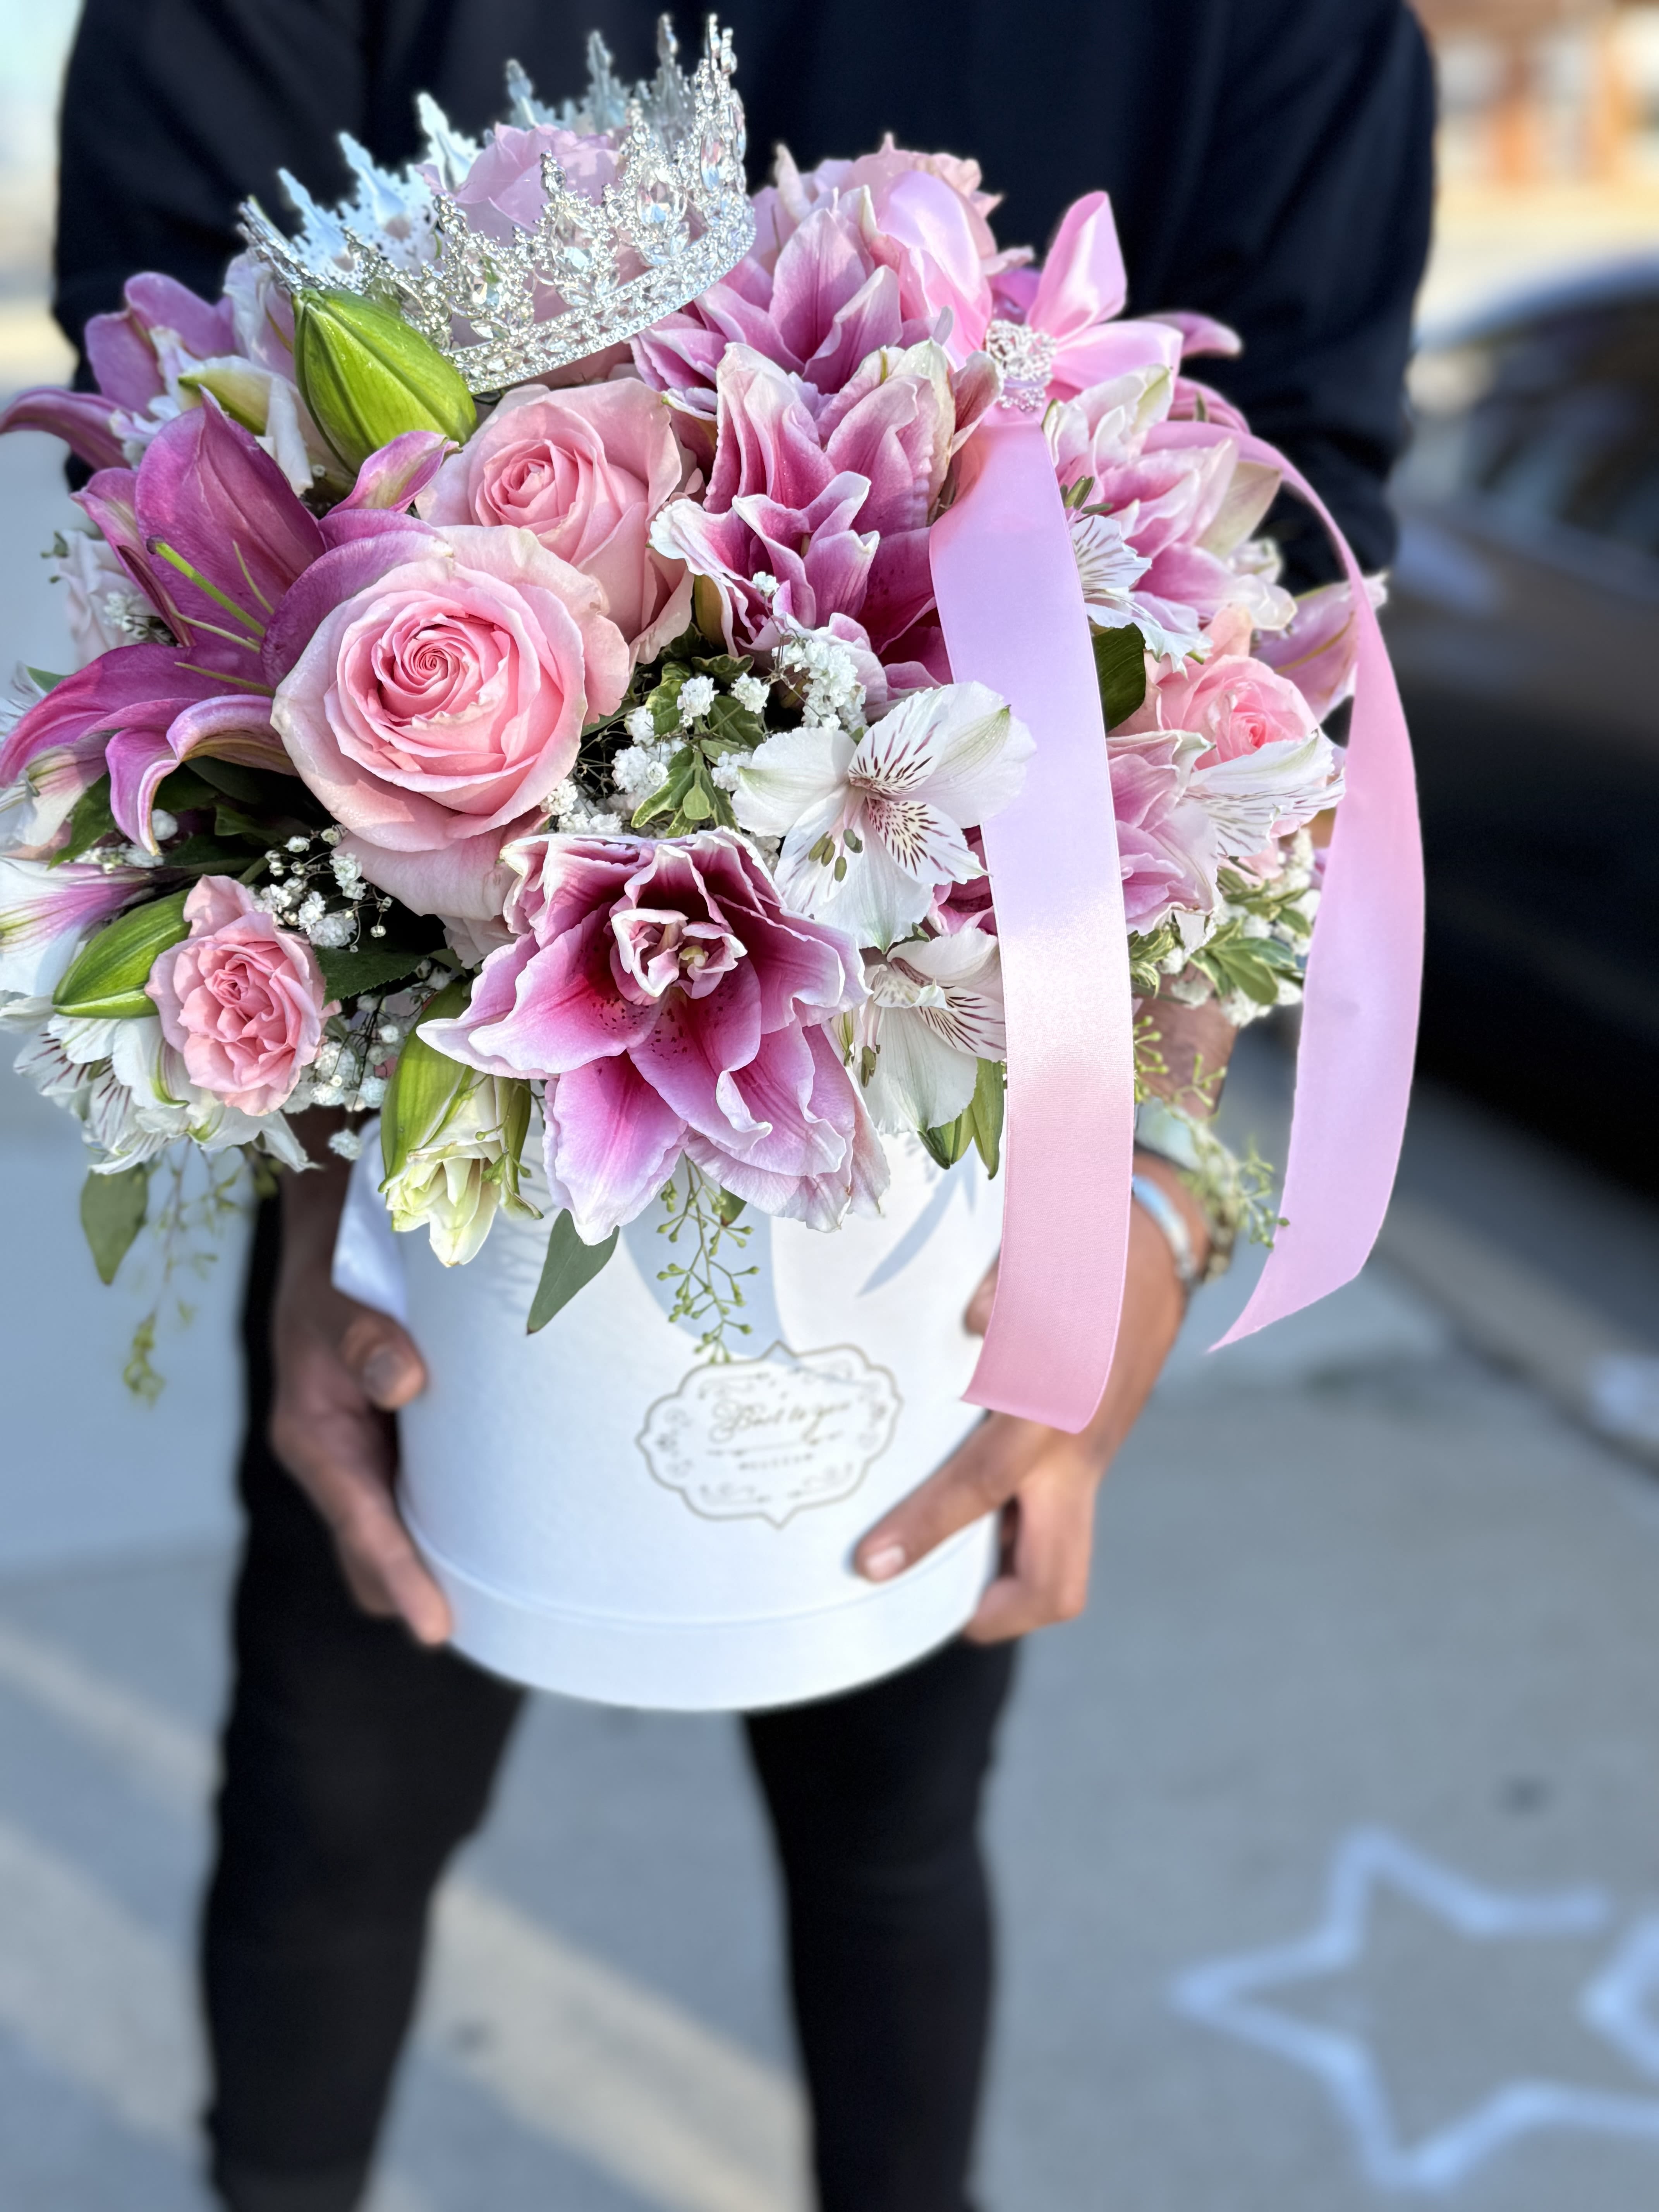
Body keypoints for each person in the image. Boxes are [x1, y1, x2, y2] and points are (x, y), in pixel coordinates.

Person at [51, 6, 1434, 2209]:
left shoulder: (1286, 31)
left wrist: (1149, 1181)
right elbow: (172, 520)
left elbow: (1291, 593)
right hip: (423, 1124)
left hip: (969, 1163)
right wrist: (329, 1180)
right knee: (332, 1811)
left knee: (900, 1822)